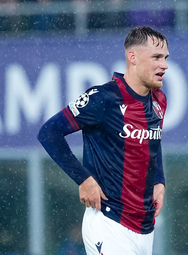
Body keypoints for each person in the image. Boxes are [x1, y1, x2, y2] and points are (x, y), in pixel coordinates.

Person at [37, 26, 169, 255]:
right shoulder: (103, 98)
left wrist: (159, 180)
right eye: (156, 57)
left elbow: (151, 145)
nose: (164, 65)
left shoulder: (158, 100)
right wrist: (84, 179)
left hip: (145, 227)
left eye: (166, 58)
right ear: (133, 57)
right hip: (108, 222)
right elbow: (49, 132)